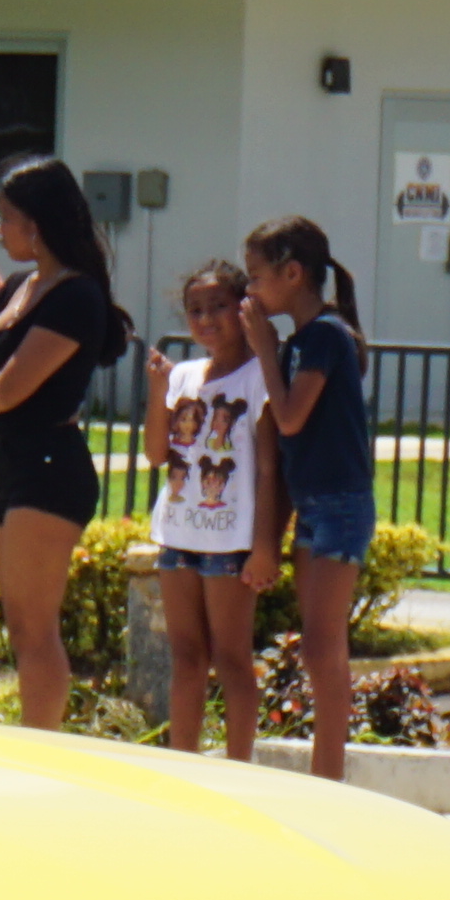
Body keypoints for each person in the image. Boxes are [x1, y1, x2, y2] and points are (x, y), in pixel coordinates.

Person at [0, 157, 133, 734]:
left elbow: (4, 391)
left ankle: (43, 745)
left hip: (51, 467)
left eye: (7, 220)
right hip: (11, 464)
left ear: (38, 223)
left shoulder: (76, 297)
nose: (0, 232)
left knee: (36, 624)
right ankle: (36, 739)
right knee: (19, 624)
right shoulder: (14, 288)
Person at [245, 215, 372, 781]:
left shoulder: (323, 336)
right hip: (315, 503)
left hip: (340, 503)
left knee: (323, 645)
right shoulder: (303, 340)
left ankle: (330, 776)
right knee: (317, 644)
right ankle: (328, 770)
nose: (249, 290)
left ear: (292, 274)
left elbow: (292, 417)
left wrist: (264, 351)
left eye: (256, 276)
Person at [149, 257, 267, 760]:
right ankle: (184, 762)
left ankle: (239, 766)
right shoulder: (183, 376)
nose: (206, 318)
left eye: (218, 305)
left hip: (229, 542)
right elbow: (158, 454)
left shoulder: (259, 375)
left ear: (242, 309)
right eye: (195, 309)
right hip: (178, 533)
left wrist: (264, 546)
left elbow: (267, 467)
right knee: (186, 657)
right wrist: (159, 394)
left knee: (232, 658)